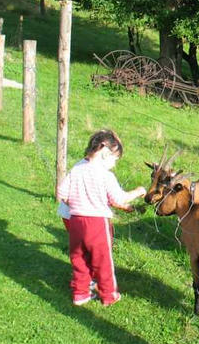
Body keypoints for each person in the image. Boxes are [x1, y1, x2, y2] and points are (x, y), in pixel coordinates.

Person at [56, 130, 146, 306]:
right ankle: (109, 295)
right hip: (97, 223)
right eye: (114, 159)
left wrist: (77, 203)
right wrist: (138, 191)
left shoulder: (77, 168)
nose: (114, 164)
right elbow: (118, 199)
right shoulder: (106, 175)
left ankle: (80, 294)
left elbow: (61, 193)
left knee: (79, 258)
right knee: (103, 260)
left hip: (75, 221)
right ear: (105, 152)